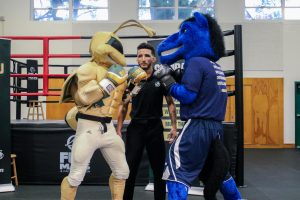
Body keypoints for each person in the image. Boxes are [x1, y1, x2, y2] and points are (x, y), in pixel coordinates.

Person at [154, 12, 242, 200]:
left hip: (196, 127)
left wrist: (167, 80)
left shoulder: (195, 62)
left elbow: (187, 96)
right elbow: (204, 91)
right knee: (219, 173)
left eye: (185, 32)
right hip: (215, 129)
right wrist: (177, 76)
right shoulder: (213, 66)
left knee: (176, 173)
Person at [59, 31, 147, 200]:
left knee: (122, 172)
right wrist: (110, 82)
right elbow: (82, 98)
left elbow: (121, 101)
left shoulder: (118, 72)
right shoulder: (87, 69)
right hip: (88, 127)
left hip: (109, 128)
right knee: (76, 175)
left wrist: (135, 87)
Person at [116, 42, 177, 200]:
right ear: (137, 59)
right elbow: (123, 106)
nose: (143, 58)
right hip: (136, 128)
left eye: (146, 55)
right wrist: (118, 130)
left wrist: (174, 127)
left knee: (158, 170)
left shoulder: (161, 78)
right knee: (129, 169)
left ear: (153, 59)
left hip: (155, 128)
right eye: (139, 56)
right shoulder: (131, 80)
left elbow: (170, 103)